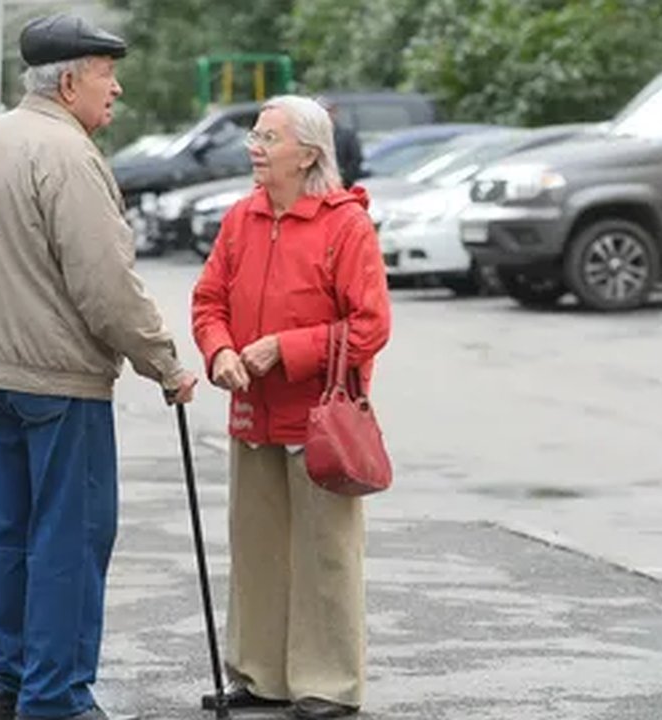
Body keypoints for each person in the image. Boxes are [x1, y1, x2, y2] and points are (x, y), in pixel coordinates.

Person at [0, 13, 198, 720]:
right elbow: (106, 285)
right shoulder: (68, 154)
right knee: (72, 537)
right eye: (105, 75)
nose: (115, 89)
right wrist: (165, 363)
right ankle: (54, 697)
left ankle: (7, 682)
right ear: (67, 84)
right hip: (61, 379)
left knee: (9, 535)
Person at [190, 95, 391, 720]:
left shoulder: (345, 225)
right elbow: (209, 301)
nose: (254, 147)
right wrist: (220, 351)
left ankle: (328, 684)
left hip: (320, 419)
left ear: (307, 154)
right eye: (255, 136)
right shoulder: (241, 218)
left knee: (324, 552)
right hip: (252, 414)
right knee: (257, 548)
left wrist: (286, 348)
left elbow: (370, 326)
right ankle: (260, 676)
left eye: (268, 138)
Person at [319, 96, 364, 188]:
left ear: (334, 112)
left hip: (340, 186)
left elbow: (355, 159)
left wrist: (344, 180)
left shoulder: (347, 136)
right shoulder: (308, 135)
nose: (323, 115)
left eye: (327, 111)